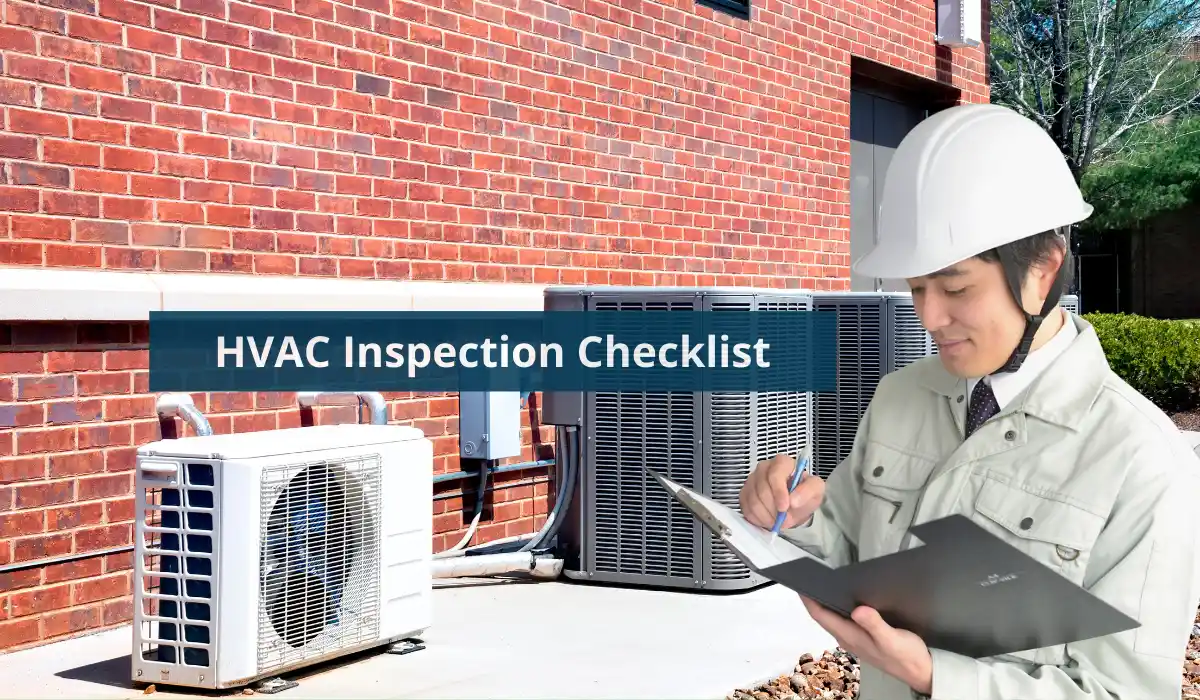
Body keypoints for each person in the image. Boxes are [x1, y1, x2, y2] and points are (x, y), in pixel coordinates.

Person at [739, 103, 1200, 699]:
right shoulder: (899, 397)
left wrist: (935, 677)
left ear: (1043, 272)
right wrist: (790, 516)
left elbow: (1123, 691)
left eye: (955, 288)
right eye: (916, 289)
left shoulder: (1142, 460)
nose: (930, 316)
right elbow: (845, 551)